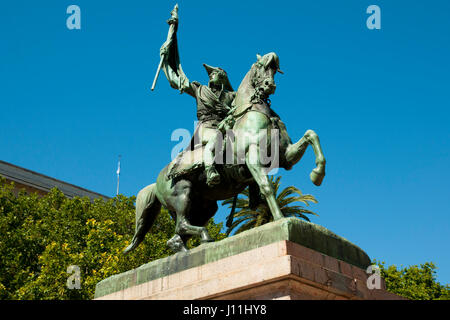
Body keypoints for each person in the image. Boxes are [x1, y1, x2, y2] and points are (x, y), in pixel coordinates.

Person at [159, 12, 235, 186]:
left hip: (227, 128)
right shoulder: (199, 89)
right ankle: (210, 170)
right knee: (217, 137)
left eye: (215, 73)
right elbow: (177, 79)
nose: (211, 75)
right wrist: (166, 54)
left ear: (222, 77)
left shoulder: (231, 96)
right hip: (207, 127)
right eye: (211, 73)